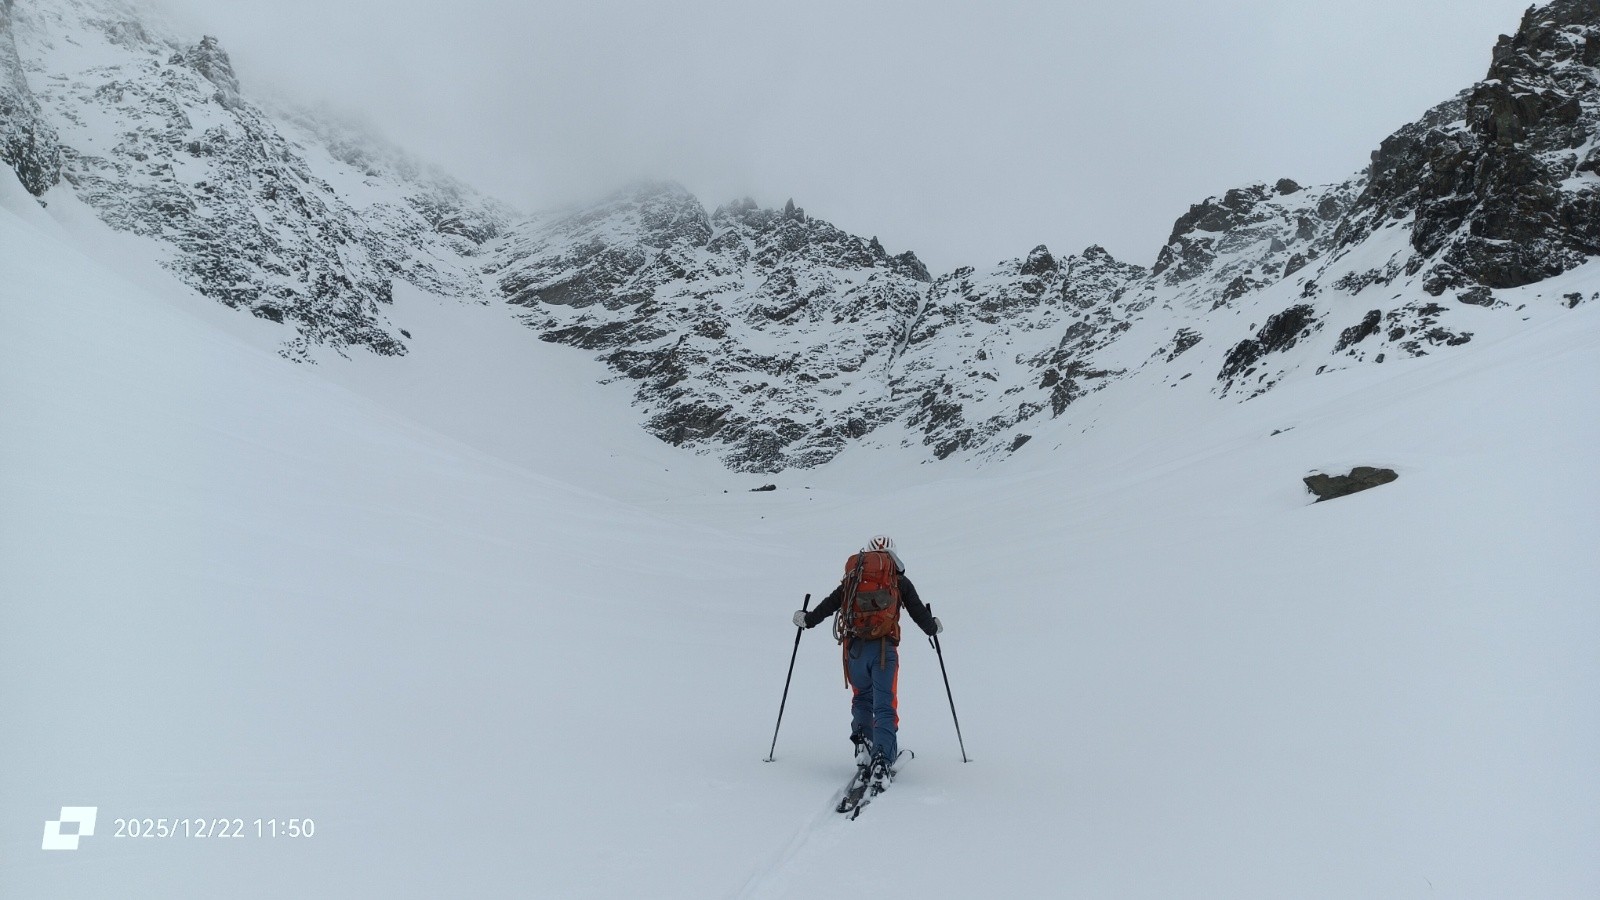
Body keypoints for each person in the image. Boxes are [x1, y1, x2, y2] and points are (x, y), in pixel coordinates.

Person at [792, 535, 941, 792]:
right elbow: (918, 612)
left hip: (854, 651)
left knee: (862, 698)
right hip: (884, 652)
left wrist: (807, 619)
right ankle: (882, 759)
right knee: (885, 704)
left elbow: (829, 605)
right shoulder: (899, 581)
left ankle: (863, 742)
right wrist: (933, 626)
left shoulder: (853, 580)